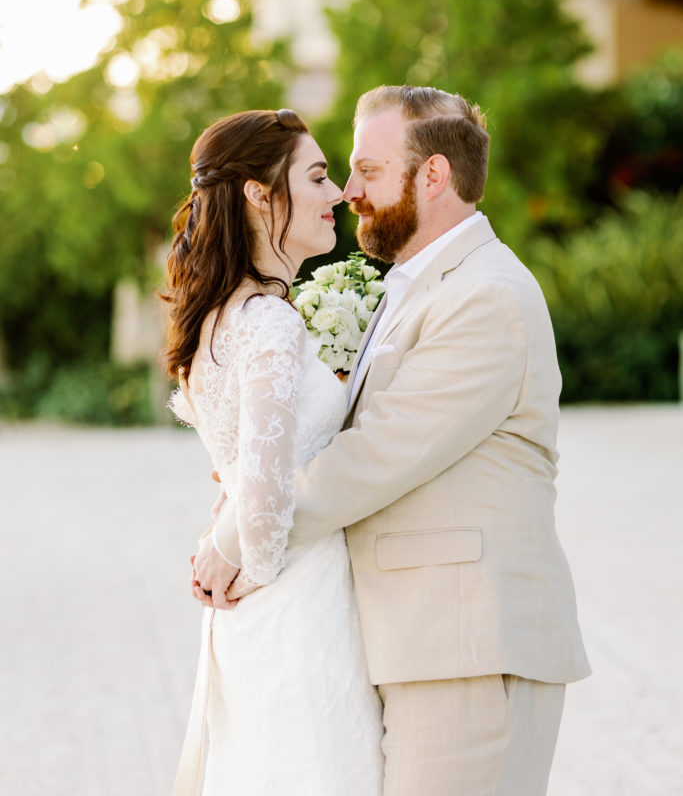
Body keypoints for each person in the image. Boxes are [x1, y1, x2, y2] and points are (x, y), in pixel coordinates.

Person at [200, 86, 591, 796]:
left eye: (367, 171)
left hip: (466, 647)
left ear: (433, 175)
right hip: (413, 644)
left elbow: (376, 455)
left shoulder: (485, 296)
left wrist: (237, 536)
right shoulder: (413, 287)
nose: (350, 192)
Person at [163, 108, 384, 796]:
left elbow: (240, 470)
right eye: (316, 176)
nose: (338, 193)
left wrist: (226, 545)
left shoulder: (218, 317)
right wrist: (247, 557)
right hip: (302, 608)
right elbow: (261, 501)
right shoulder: (269, 322)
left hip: (250, 619)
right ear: (259, 194)